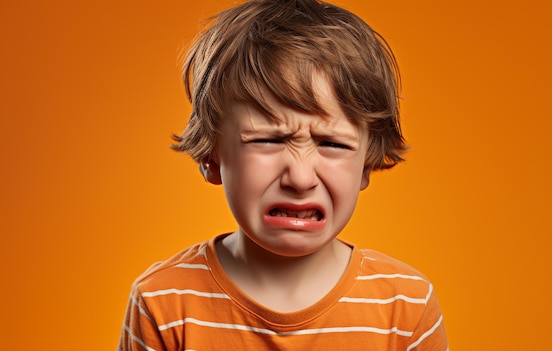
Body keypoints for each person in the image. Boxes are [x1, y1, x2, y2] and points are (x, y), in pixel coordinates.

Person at [117, 0, 448, 350]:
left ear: (366, 164)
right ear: (213, 157)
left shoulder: (406, 306)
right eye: (267, 140)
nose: (301, 178)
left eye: (333, 144)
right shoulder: (162, 301)